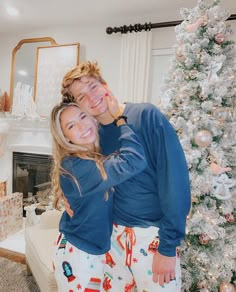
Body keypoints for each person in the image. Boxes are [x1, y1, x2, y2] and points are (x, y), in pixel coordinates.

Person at [61, 61, 191, 291]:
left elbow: (175, 182)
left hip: (152, 238)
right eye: (81, 97)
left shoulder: (145, 116)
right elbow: (83, 178)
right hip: (111, 242)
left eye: (92, 87)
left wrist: (168, 246)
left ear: (104, 84)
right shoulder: (89, 134)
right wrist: (65, 196)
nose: (91, 98)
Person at [50, 98, 147, 291]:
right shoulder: (77, 166)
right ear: (66, 137)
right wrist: (120, 118)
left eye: (83, 116)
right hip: (79, 254)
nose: (82, 126)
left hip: (94, 249)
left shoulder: (91, 157)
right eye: (71, 125)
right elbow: (135, 160)